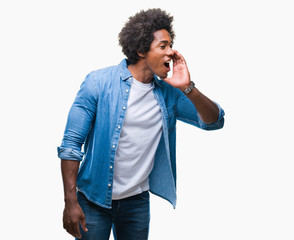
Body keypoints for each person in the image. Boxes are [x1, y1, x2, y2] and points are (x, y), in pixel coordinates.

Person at [57, 8, 225, 240]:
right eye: (163, 46)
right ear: (140, 50)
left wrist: (188, 87)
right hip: (93, 200)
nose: (172, 52)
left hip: (136, 202)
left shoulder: (170, 94)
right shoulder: (98, 83)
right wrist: (70, 202)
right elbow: (70, 145)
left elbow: (215, 121)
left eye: (171, 44)